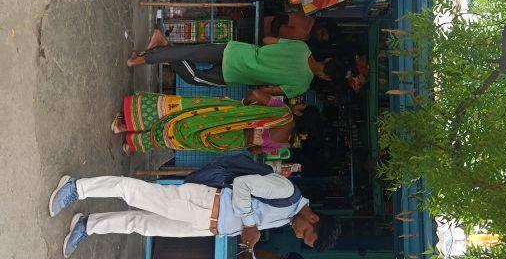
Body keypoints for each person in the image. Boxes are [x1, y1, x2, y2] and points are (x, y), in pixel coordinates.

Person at [49, 171, 341, 259]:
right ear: (313, 219)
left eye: (303, 239)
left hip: (207, 227)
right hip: (205, 204)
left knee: (143, 225)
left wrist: (247, 231)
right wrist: (251, 225)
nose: (298, 234)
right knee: (137, 193)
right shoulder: (287, 192)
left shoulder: (288, 217)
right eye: (305, 233)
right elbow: (242, 185)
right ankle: (77, 187)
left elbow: (250, 216)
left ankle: (88, 225)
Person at [127, 28, 347, 94]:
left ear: (327, 59)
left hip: (235, 51)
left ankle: (160, 45)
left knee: (190, 52)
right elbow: (269, 90)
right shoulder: (302, 85)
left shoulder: (302, 47)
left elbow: (267, 40)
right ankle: (151, 53)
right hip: (236, 74)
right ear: (325, 77)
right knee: (194, 77)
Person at [111, 87, 296, 155]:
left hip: (224, 115)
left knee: (182, 111)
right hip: (231, 140)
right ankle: (132, 144)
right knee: (181, 138)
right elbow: (255, 150)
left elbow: (256, 94)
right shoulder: (281, 144)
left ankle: (125, 125)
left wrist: (244, 106)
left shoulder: (284, 113)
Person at [263, 13, 338, 42]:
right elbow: (279, 19)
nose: (318, 37)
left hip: (263, 36)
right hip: (261, 24)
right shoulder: (306, 21)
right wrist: (273, 37)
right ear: (322, 25)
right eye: (321, 33)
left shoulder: (307, 38)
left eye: (321, 39)